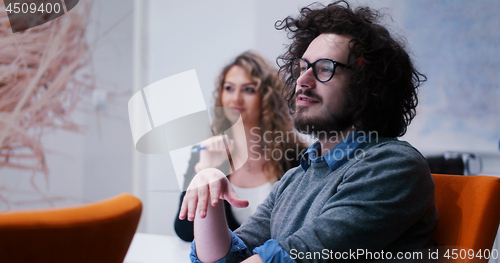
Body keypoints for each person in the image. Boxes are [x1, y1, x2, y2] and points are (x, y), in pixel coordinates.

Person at [179, 1, 439, 262]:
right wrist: (209, 192)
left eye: (325, 68)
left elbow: (297, 256)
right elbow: (233, 254)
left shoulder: (393, 166)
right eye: (302, 67)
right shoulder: (296, 178)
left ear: (367, 85)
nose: (302, 80)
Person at [174, 51, 306, 242]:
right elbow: (185, 231)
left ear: (267, 97)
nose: (236, 98)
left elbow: (300, 230)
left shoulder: (297, 156)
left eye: (248, 90)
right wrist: (205, 171)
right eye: (229, 88)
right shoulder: (205, 152)